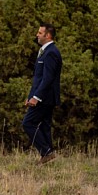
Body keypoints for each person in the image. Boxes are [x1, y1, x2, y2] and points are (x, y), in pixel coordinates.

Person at [22, 23, 62, 165]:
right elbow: (38, 78)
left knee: (28, 123)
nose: (37, 35)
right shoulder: (45, 51)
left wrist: (36, 97)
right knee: (45, 125)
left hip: (45, 97)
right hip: (43, 96)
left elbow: (48, 78)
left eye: (40, 33)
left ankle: (46, 152)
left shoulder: (51, 52)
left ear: (48, 35)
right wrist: (31, 95)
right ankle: (48, 157)